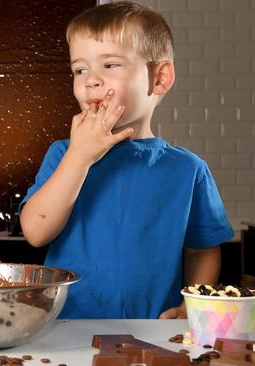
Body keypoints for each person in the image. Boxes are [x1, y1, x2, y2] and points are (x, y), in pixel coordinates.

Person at [20, 1, 233, 319]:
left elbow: (202, 251)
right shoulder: (64, 154)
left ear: (159, 78)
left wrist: (193, 305)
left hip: (154, 333)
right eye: (80, 69)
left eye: (110, 65)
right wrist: (80, 156)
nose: (91, 80)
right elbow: (36, 233)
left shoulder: (188, 170)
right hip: (64, 329)